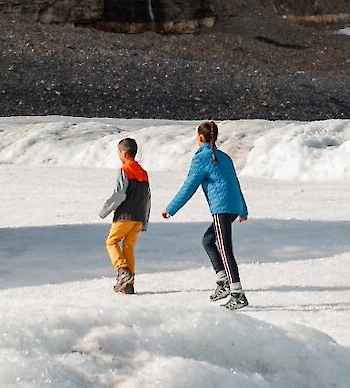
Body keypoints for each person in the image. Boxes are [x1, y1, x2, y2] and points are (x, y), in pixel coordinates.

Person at [161, 120, 250, 310]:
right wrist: (242, 209)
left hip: (222, 208)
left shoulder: (202, 158)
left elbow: (188, 187)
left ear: (199, 138)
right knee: (208, 240)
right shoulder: (224, 157)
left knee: (225, 250)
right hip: (232, 206)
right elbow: (235, 183)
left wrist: (170, 209)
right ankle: (223, 281)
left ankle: (238, 293)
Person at [97, 137, 151, 294]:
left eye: (119, 152)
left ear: (124, 153)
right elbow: (147, 197)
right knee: (128, 247)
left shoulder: (125, 170)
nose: (118, 155)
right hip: (139, 217)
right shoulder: (143, 173)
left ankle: (122, 271)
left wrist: (105, 210)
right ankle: (128, 284)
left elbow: (120, 193)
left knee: (111, 242)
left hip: (125, 215)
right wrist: (145, 221)